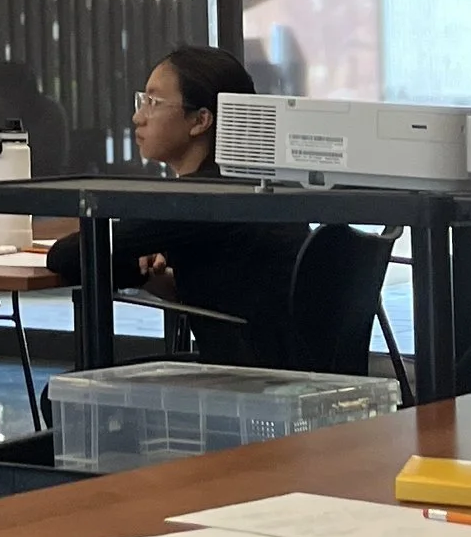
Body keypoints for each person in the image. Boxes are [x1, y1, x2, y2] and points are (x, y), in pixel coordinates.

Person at [44, 45, 292, 358]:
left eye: (153, 102)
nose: (138, 117)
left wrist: (136, 267)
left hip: (249, 382)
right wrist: (152, 272)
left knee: (59, 397)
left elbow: (66, 256)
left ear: (200, 120)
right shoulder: (259, 184)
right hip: (289, 372)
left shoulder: (197, 199)